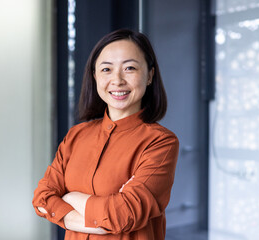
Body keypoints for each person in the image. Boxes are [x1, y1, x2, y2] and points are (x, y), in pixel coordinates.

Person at [32, 28, 179, 240]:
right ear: (95, 76)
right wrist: (99, 221)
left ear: (149, 76)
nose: (117, 80)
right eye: (106, 69)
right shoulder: (76, 136)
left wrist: (69, 197)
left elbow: (124, 214)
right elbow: (42, 199)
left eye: (129, 68)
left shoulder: (160, 142)